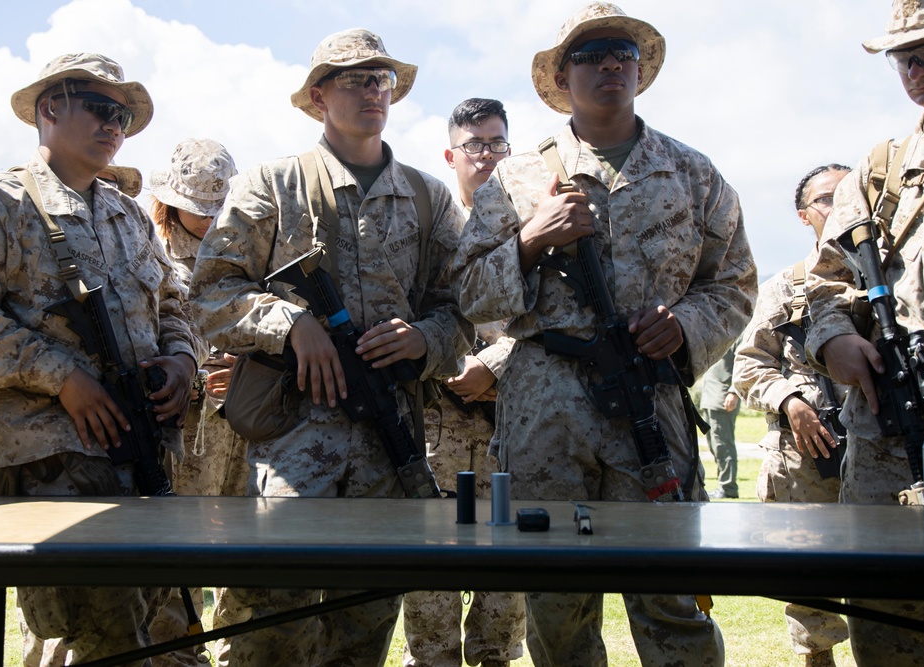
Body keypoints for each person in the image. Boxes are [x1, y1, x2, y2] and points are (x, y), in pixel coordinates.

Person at [453, 3, 756, 665]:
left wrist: (687, 326)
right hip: (542, 413)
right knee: (557, 608)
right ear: (563, 76)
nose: (610, 63)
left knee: (671, 598)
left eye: (622, 50)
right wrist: (531, 239)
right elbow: (471, 293)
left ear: (640, 69)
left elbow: (733, 284)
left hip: (651, 407)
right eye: (590, 55)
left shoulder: (694, 172)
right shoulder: (516, 178)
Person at [189, 28, 472, 667]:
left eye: (382, 79)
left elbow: (465, 308)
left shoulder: (429, 199)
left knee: (365, 627)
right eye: (355, 79)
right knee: (275, 627)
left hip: (390, 445)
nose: (373, 91)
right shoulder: (272, 185)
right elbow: (209, 294)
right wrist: (290, 324)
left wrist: (424, 339)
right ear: (319, 96)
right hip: (295, 445)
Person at [0, 53, 202, 665]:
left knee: (146, 628)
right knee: (108, 638)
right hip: (56, 462)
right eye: (99, 108)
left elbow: (176, 304)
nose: (113, 125)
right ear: (49, 108)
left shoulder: (128, 215)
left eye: (121, 114)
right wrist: (62, 378)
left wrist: (181, 363)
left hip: (142, 455)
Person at [806, 1, 924, 664]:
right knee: (893, 625)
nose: (913, 66)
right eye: (902, 55)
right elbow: (824, 284)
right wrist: (833, 336)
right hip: (890, 426)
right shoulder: (881, 169)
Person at [402, 98, 525, 667]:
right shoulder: (426, 227)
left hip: (513, 435)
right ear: (451, 154)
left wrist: (494, 366)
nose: (487, 156)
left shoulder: (531, 227)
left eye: (498, 143)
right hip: (436, 431)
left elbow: (555, 320)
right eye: (474, 145)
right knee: (430, 590)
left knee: (505, 594)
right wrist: (451, 364)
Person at [734, 164, 852, 667]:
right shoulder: (787, 286)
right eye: (826, 199)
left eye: (849, 193)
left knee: (903, 584)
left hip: (890, 452)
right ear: (805, 216)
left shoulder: (893, 275)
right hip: (807, 460)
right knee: (811, 583)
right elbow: (748, 365)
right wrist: (789, 400)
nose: (839, 205)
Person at [146, 137, 246, 667]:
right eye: (196, 209)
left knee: (245, 567)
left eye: (216, 209)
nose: (206, 221)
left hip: (243, 434)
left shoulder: (250, 246)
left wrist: (248, 370)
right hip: (179, 436)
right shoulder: (151, 251)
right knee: (169, 567)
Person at [699, 344, 740, 499]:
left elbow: (743, 362)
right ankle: (723, 485)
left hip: (722, 397)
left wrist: (734, 392)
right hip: (710, 395)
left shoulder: (738, 332)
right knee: (714, 445)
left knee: (723, 444)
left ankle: (728, 487)